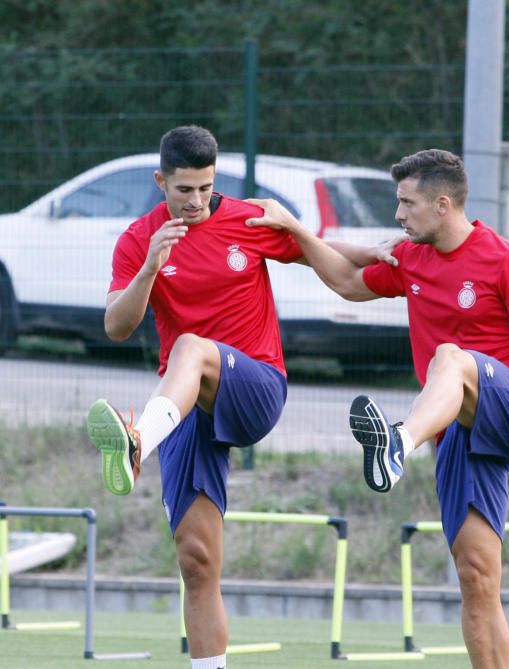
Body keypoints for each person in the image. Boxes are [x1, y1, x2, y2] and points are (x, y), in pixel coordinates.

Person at [245, 148, 509, 669]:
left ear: (443, 204)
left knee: (451, 358)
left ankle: (397, 444)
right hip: (458, 430)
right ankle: (399, 445)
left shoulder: (505, 261)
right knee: (476, 575)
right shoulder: (412, 258)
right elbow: (345, 279)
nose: (398, 214)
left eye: (407, 203)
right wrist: (294, 231)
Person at [86, 125, 394, 669]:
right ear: (161, 182)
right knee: (197, 562)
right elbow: (115, 325)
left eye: (206, 187)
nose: (198, 200)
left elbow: (317, 253)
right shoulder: (139, 239)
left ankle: (137, 444)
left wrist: (374, 249)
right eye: (185, 190)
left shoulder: (247, 219)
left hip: (254, 387)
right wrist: (149, 269)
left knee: (192, 347)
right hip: (182, 409)